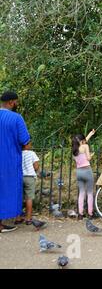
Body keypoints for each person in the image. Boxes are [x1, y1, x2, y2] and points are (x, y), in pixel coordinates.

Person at [0, 91, 30, 233]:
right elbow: (26, 142)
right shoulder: (16, 118)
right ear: (11, 102)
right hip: (9, 162)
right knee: (8, 190)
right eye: (16, 102)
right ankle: (2, 223)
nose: (17, 104)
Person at [72, 129, 96, 220]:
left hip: (79, 172)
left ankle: (80, 214)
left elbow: (84, 141)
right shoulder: (85, 146)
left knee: (81, 193)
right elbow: (88, 158)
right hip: (87, 170)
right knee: (89, 193)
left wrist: (90, 134)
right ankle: (90, 214)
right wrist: (91, 155)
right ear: (81, 141)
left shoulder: (74, 150)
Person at [14, 140, 40, 225]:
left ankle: (18, 218)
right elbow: (36, 166)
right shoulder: (32, 153)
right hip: (29, 177)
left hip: (19, 177)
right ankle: (28, 219)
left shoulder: (18, 153)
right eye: (30, 143)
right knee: (29, 198)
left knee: (19, 198)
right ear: (27, 145)